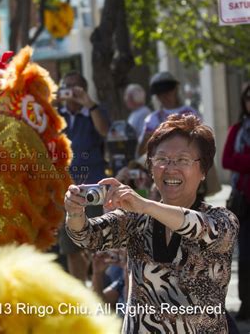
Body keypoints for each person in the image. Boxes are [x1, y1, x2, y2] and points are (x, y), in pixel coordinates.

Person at [64, 114, 239, 333]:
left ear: (203, 170)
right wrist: (74, 212)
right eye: (161, 159)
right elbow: (86, 236)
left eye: (182, 160)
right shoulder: (135, 219)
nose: (170, 168)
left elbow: (201, 228)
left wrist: (145, 205)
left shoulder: (223, 220)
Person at [57, 70, 109, 282]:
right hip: (65, 188)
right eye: (66, 86)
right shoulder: (55, 115)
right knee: (71, 247)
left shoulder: (94, 112)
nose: (71, 91)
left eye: (76, 86)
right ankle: (79, 293)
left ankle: (99, 289)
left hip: (93, 187)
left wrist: (89, 103)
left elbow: (105, 131)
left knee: (96, 242)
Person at [222, 83, 250, 321]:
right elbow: (226, 160)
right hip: (244, 202)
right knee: (246, 256)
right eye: (248, 98)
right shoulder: (237, 129)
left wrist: (244, 160)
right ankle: (246, 303)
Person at [137, 71, 198, 156]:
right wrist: (147, 140)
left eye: (168, 91)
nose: (164, 96)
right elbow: (141, 153)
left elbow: (203, 146)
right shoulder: (151, 119)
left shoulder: (190, 114)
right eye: (159, 93)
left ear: (175, 89)